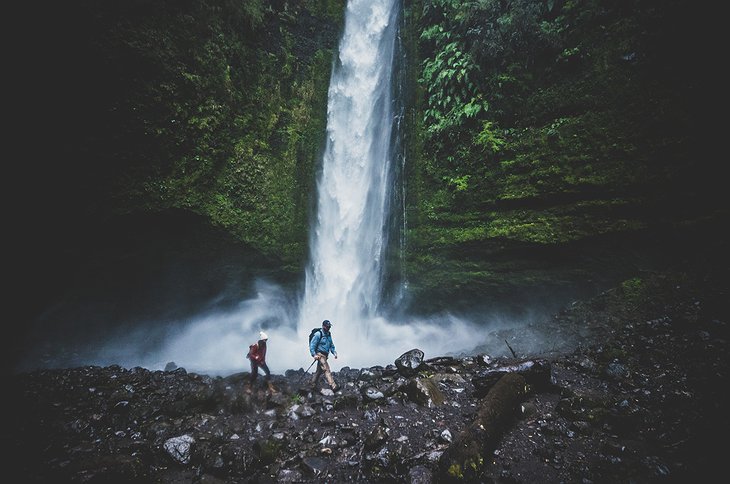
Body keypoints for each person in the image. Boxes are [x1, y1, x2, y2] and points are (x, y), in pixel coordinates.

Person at [309, 319, 340, 392]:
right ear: (323, 326)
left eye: (329, 326)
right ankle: (333, 386)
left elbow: (331, 345)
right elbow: (312, 345)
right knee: (326, 369)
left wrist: (334, 352)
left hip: (326, 355)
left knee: (319, 371)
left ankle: (312, 384)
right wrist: (314, 355)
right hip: (320, 355)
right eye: (327, 326)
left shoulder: (328, 334)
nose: (328, 328)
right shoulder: (318, 334)